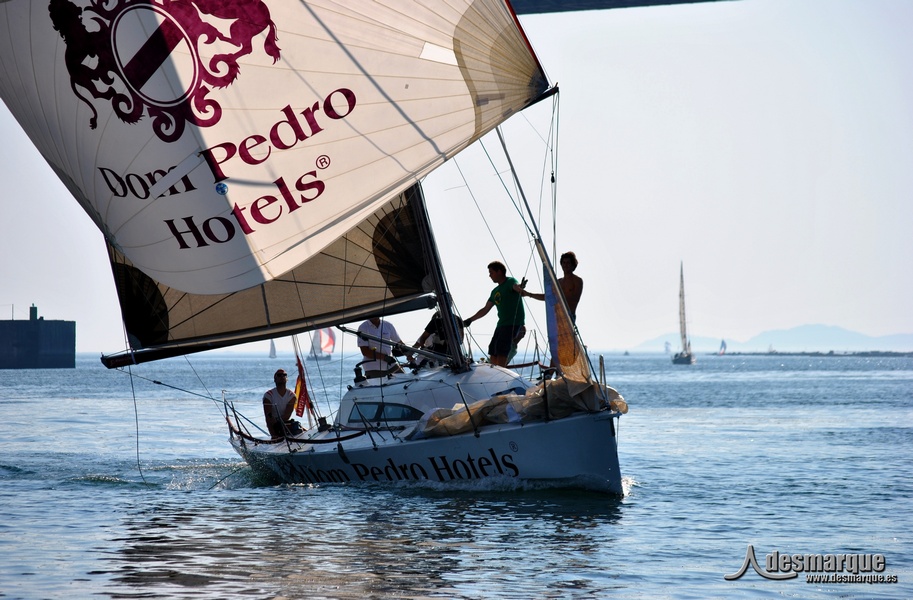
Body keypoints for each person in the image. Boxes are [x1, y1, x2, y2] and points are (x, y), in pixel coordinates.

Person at [462, 261, 526, 367]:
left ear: (499, 272)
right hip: (501, 325)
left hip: (512, 324)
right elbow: (485, 309)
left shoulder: (510, 281)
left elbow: (516, 286)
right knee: (493, 352)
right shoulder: (495, 291)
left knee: (502, 352)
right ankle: (494, 375)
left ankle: (501, 376)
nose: (489, 275)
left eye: (491, 272)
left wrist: (521, 287)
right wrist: (469, 320)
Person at [519, 251, 584, 322]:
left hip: (569, 317)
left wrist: (556, 297)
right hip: (557, 316)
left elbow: (574, 298)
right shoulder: (558, 282)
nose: (565, 265)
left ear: (573, 265)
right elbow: (547, 297)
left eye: (568, 263)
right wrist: (528, 294)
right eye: (564, 263)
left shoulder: (577, 281)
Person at [262, 369, 301, 438]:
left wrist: (278, 421)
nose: (282, 377)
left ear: (287, 379)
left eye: (284, 375)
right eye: (279, 375)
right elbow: (268, 418)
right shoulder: (268, 396)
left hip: (284, 423)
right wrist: (273, 435)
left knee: (296, 426)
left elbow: (287, 416)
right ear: (275, 379)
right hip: (273, 425)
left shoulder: (292, 396)